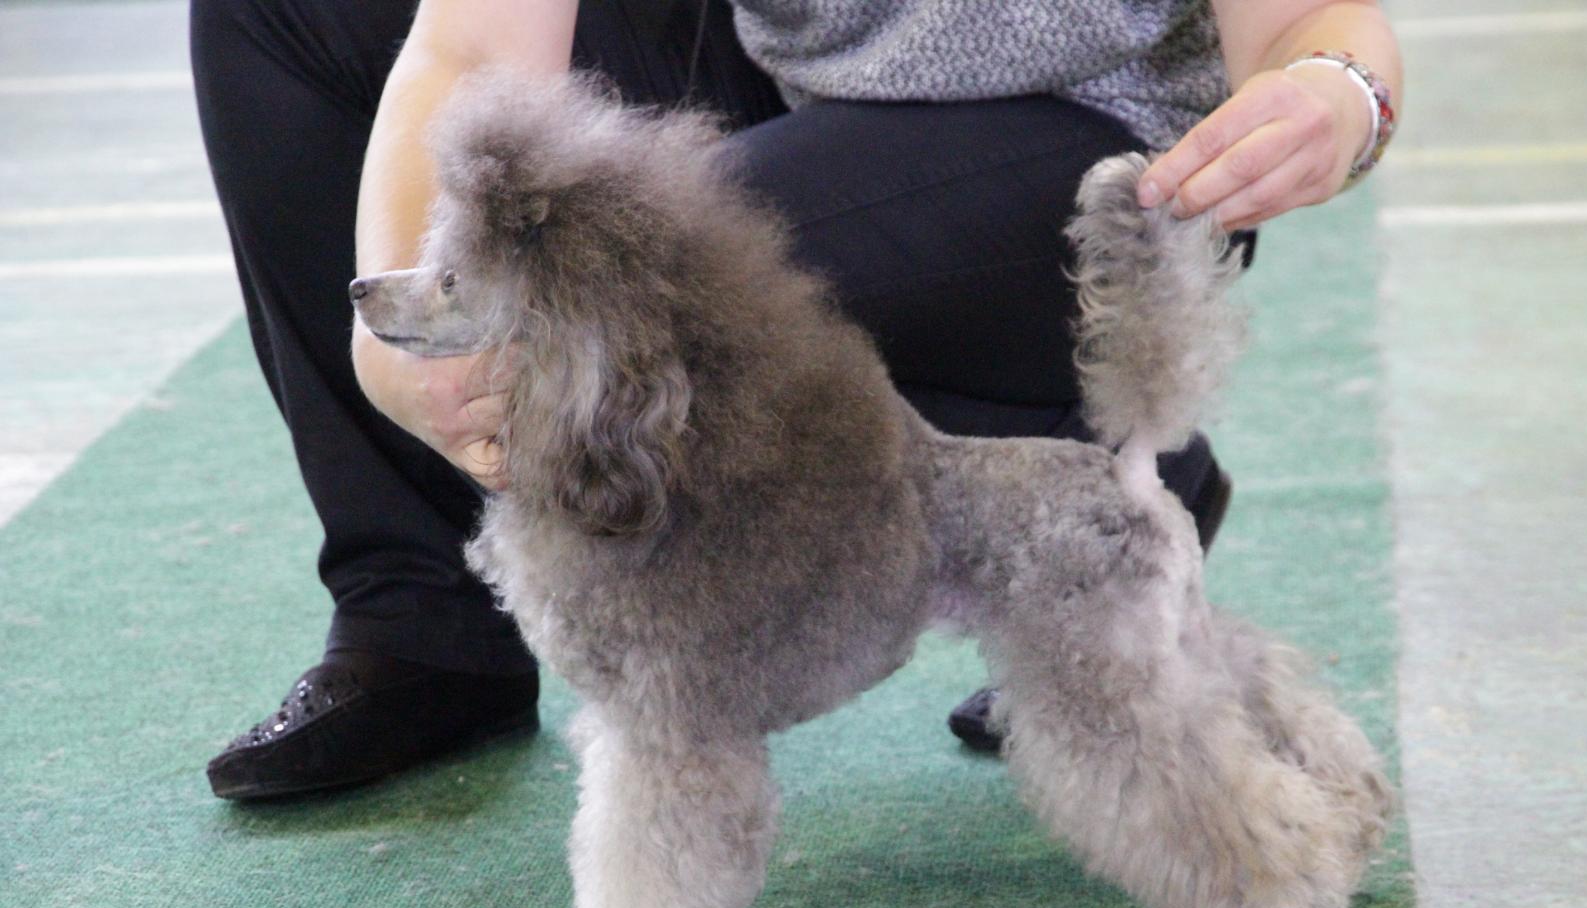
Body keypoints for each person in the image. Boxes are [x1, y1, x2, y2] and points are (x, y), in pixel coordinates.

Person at [190, 0, 1402, 800]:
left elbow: (1311, 23)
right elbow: (467, 47)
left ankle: (1081, 460)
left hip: (1094, 140)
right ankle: (426, 622)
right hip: (796, 91)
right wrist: (404, 330)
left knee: (652, 288)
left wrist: (1337, 94)